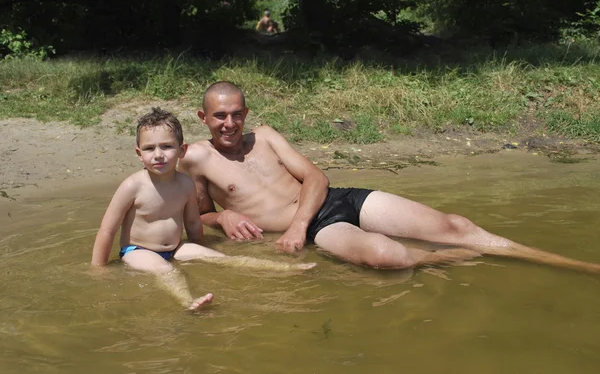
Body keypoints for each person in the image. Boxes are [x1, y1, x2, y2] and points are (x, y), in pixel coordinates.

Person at [179, 81, 600, 275]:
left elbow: (317, 177)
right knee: (388, 257)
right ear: (204, 117)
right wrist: (224, 218)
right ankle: (449, 258)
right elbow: (198, 217)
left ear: (246, 113)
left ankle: (570, 264)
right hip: (319, 231)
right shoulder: (196, 159)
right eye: (220, 115)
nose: (229, 123)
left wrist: (297, 225)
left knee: (455, 225)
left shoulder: (266, 136)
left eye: (237, 113)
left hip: (327, 205)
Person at [91, 107, 315, 311]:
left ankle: (283, 268)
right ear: (140, 154)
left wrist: (200, 248)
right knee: (166, 271)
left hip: (176, 248)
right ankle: (188, 301)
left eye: (167, 147)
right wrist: (98, 269)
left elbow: (193, 223)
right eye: (150, 148)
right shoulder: (133, 186)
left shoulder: (185, 184)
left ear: (182, 151)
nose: (158, 154)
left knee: (221, 258)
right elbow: (107, 231)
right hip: (139, 251)